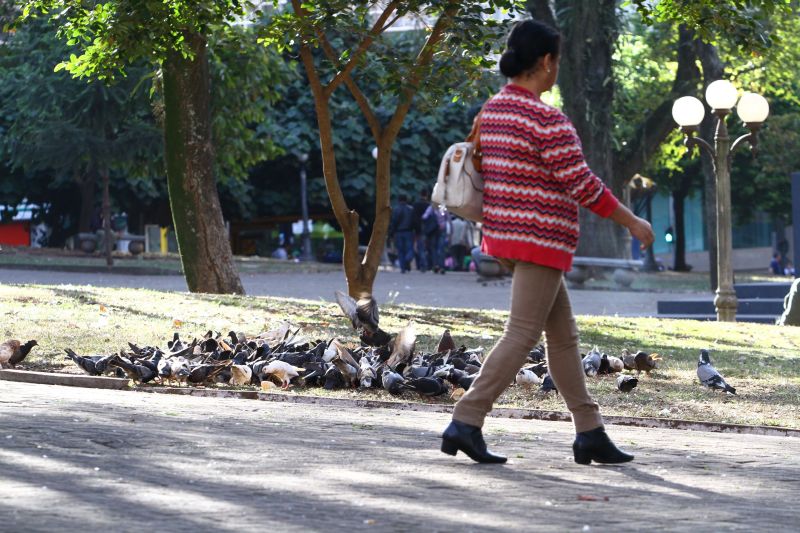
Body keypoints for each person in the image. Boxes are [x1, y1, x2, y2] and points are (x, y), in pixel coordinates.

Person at [440, 19, 655, 465]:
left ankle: (590, 432)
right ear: (545, 61)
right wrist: (632, 221)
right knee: (520, 335)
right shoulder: (546, 119)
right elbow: (584, 186)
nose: (556, 67)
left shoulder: (492, 110)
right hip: (540, 240)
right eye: (556, 59)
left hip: (507, 237)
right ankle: (466, 419)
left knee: (563, 339)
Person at [388, 194, 416, 273]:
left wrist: (391, 233)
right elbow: (415, 221)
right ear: (406, 200)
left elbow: (393, 222)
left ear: (398, 200)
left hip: (398, 232)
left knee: (400, 250)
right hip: (409, 232)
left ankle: (403, 267)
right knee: (410, 249)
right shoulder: (411, 209)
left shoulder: (396, 209)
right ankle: (407, 259)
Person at [422, 203, 447, 274]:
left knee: (434, 249)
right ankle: (441, 266)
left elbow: (424, 217)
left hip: (434, 231)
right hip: (441, 230)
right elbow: (446, 218)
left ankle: (436, 265)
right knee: (440, 248)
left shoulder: (431, 208)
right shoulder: (442, 207)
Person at [412, 190, 431, 272]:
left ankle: (422, 265)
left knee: (420, 248)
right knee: (427, 248)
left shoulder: (415, 205)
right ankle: (426, 264)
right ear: (426, 195)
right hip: (429, 230)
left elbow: (413, 217)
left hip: (418, 229)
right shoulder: (429, 205)